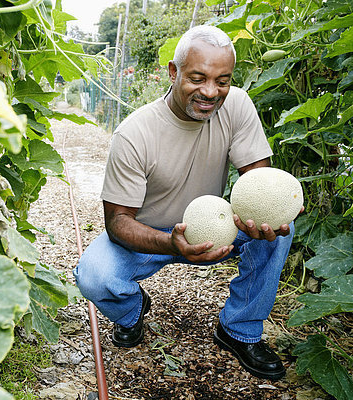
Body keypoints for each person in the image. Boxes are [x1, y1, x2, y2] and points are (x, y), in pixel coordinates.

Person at [72, 25, 299, 381]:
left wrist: (270, 211)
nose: (211, 92)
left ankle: (239, 330)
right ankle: (132, 311)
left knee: (280, 228)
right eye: (198, 78)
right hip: (149, 234)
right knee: (95, 276)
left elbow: (261, 183)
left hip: (216, 224)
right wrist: (169, 242)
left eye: (222, 81)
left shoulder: (236, 104)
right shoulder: (135, 133)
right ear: (173, 73)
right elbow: (117, 222)